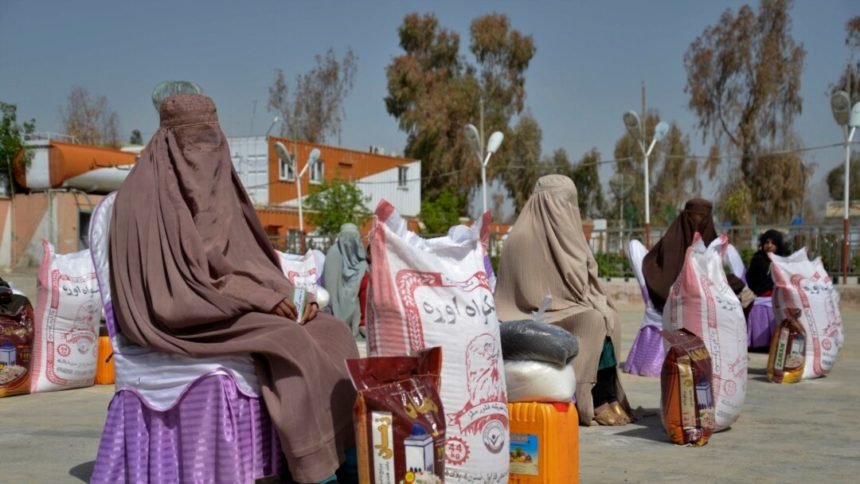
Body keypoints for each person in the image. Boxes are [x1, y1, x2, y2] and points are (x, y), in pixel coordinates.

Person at [109, 94, 358, 484]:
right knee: (289, 342)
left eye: (211, 140)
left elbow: (248, 261)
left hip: (229, 305)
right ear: (169, 140)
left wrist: (291, 296)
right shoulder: (142, 198)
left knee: (334, 331)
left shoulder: (221, 192)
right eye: (193, 141)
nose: (204, 153)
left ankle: (346, 453)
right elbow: (177, 287)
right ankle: (314, 468)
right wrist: (263, 300)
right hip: (180, 316)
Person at [494, 174, 633, 426]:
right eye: (563, 202)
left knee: (609, 314)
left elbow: (584, 274)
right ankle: (591, 398)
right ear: (545, 202)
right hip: (530, 311)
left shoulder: (568, 234)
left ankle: (608, 393)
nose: (568, 209)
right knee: (592, 320)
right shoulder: (521, 238)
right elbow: (526, 292)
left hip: (570, 303)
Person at [642, 198, 755, 314]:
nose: (698, 221)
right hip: (668, 315)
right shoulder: (672, 242)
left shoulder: (714, 246)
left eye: (703, 217)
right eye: (693, 216)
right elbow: (667, 280)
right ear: (686, 216)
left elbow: (714, 277)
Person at [324, 223, 368, 336]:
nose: (349, 243)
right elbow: (331, 289)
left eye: (353, 238)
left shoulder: (361, 260)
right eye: (346, 238)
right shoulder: (334, 254)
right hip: (338, 304)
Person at [746, 229, 788, 297]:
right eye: (767, 242)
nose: (769, 246)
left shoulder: (781, 261)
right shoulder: (758, 259)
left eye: (773, 243)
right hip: (760, 298)